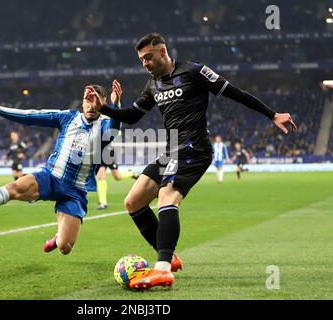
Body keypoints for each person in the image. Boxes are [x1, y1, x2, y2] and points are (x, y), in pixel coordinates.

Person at [87, 32, 297, 290]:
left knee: (167, 197)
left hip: (194, 148)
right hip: (171, 151)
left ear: (162, 52)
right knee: (133, 201)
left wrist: (272, 115)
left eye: (148, 57)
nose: (145, 64)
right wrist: (103, 107)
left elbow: (236, 93)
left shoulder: (194, 71)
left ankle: (162, 269)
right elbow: (131, 116)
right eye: (141, 60)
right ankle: (169, 255)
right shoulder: (152, 84)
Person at [0, 83, 121, 256]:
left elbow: (115, 125)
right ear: (82, 102)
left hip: (75, 192)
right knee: (13, 189)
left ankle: (59, 236)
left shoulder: (105, 126)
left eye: (96, 101)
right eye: (88, 99)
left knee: (64, 247)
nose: (91, 105)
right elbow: (31, 116)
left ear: (103, 104)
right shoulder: (68, 118)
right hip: (50, 177)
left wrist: (116, 104)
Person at [96, 144, 139, 210]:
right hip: (98, 151)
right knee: (117, 177)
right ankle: (131, 173)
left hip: (107, 150)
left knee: (101, 176)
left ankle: (103, 203)